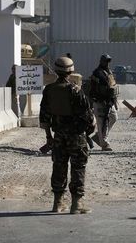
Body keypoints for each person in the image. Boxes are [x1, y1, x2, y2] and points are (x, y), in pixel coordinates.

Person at [39, 56, 95, 214]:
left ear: (56, 71)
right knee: (78, 167)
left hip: (58, 136)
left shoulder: (49, 90)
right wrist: (90, 129)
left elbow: (44, 117)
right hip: (76, 136)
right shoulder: (75, 90)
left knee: (59, 166)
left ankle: (57, 203)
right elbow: (88, 115)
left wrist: (49, 137)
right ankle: (76, 204)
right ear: (71, 71)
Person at [89, 54, 118, 151]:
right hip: (100, 101)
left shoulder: (108, 72)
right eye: (106, 61)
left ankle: (99, 137)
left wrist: (114, 100)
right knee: (102, 123)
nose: (108, 63)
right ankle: (104, 144)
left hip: (109, 101)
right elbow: (100, 87)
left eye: (109, 61)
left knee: (114, 117)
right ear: (101, 61)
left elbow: (112, 86)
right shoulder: (97, 73)